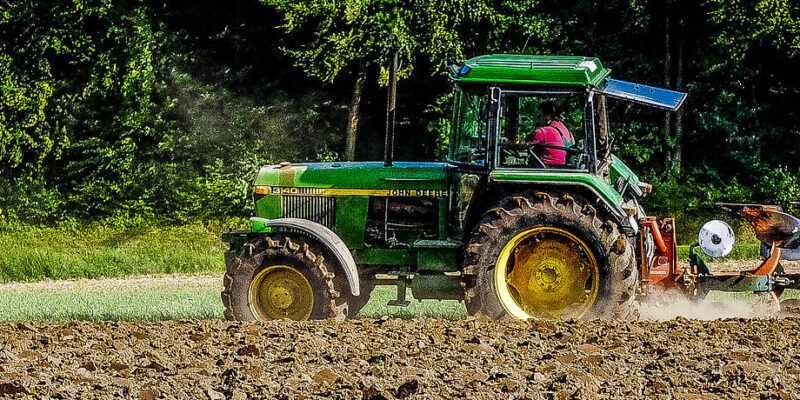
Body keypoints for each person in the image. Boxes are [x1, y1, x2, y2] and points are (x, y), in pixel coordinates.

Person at [524, 101, 574, 166]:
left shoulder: (543, 132)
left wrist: (510, 144)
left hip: (544, 169)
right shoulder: (566, 131)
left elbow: (522, 144)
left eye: (540, 115)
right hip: (561, 167)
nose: (539, 118)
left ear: (548, 116)